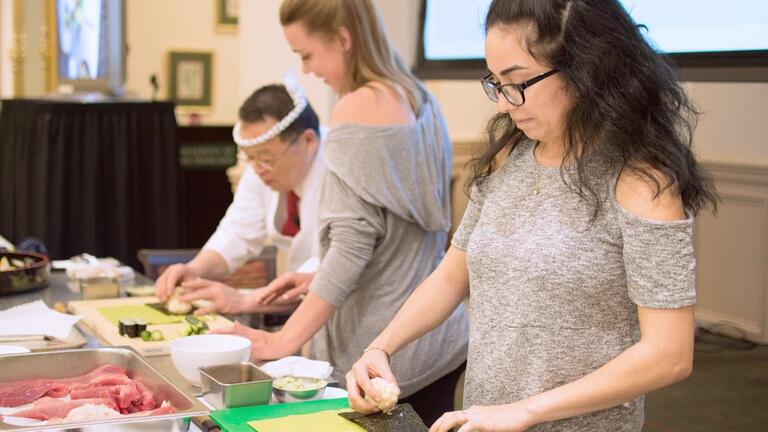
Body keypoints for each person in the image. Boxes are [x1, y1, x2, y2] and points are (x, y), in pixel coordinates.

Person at [346, 0, 718, 431]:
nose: (505, 104)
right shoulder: (510, 156)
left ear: (588, 70)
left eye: (518, 82)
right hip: (484, 420)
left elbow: (669, 354)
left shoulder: (641, 182)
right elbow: (452, 275)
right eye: (496, 83)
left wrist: (526, 410)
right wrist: (381, 348)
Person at [213, 0, 469, 425]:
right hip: (439, 340)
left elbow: (352, 247)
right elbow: (395, 235)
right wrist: (317, 277)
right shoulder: (421, 97)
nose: (308, 69)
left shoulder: (357, 106)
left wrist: (283, 340)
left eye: (307, 54)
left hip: (388, 352)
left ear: (343, 39)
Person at [154, 80, 324, 316]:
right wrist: (195, 269)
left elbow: (328, 271)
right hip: (308, 317)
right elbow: (236, 234)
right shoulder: (260, 168)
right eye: (250, 158)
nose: (257, 168)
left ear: (308, 142)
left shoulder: (339, 173)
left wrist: (244, 300)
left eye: (266, 158)